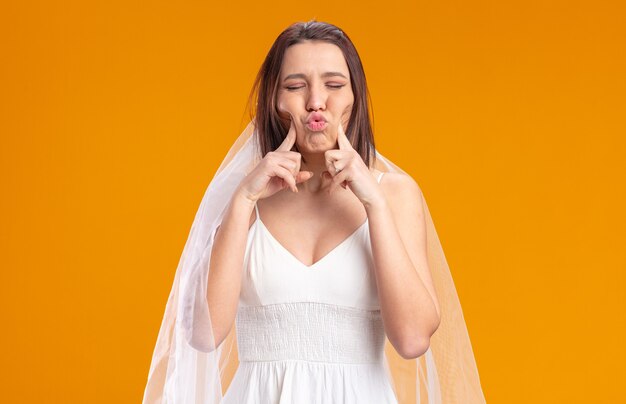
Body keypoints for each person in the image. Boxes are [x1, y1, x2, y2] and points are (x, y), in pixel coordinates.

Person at [142, 20, 486, 404]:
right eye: (295, 86)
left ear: (355, 97)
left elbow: (412, 339)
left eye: (334, 85)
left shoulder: (395, 195)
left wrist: (374, 204)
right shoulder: (243, 196)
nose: (316, 101)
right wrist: (243, 201)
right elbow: (203, 335)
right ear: (274, 100)